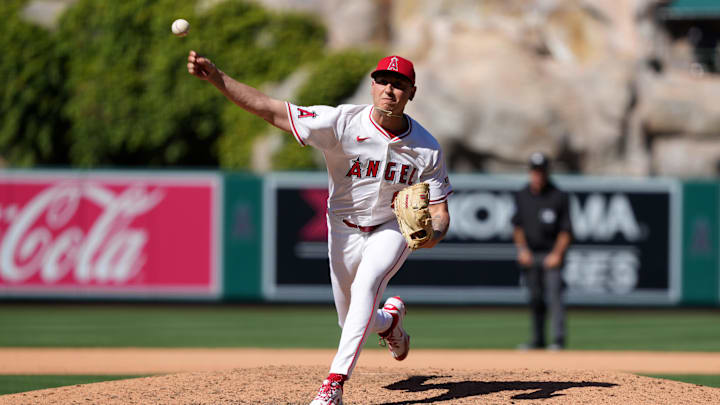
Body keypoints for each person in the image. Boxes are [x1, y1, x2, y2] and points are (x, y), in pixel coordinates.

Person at [187, 51, 452, 404]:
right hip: (342, 228)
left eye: (399, 84)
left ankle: (333, 386)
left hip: (391, 227)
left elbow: (440, 213)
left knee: (367, 285)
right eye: (384, 82)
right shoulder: (341, 122)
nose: (390, 90)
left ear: (412, 93)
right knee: (351, 321)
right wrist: (218, 78)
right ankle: (388, 322)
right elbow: (270, 109)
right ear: (372, 86)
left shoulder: (427, 148)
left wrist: (432, 233)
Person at [511, 152, 572, 351]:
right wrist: (522, 250)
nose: (538, 176)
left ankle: (558, 340)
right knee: (535, 298)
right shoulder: (522, 194)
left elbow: (566, 230)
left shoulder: (558, 196)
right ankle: (537, 340)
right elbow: (517, 226)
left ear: (547, 172)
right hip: (531, 254)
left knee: (555, 297)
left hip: (551, 254)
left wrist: (557, 254)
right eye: (535, 171)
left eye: (541, 172)